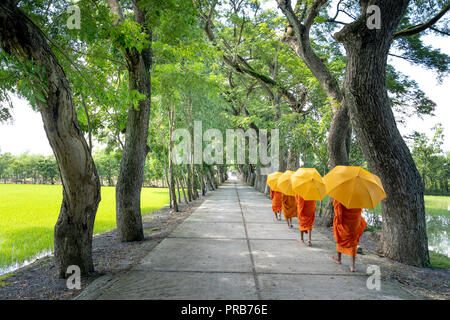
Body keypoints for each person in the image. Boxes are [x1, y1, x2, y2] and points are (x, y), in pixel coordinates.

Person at [331, 199, 367, 272]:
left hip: (344, 221)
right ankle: (352, 266)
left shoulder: (341, 195)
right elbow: (360, 208)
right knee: (353, 240)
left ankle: (339, 259)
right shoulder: (359, 195)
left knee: (340, 237)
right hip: (355, 221)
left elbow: (338, 211)